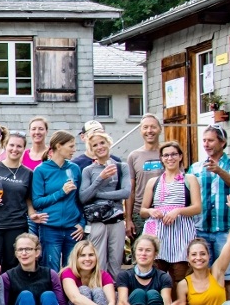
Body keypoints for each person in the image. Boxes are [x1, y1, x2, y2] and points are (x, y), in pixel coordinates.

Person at [188, 125, 230, 301]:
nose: (206, 144)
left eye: (211, 140)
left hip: (224, 230)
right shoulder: (196, 167)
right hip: (201, 229)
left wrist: (219, 171)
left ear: (222, 142)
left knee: (227, 277)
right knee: (202, 275)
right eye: (204, 140)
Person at [138, 141, 202, 284]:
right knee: (155, 276)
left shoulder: (189, 179)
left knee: (179, 278)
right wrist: (151, 211)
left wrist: (178, 211)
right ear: (161, 158)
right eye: (165, 155)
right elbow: (142, 211)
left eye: (173, 154)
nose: (170, 158)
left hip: (181, 233)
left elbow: (197, 207)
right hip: (158, 234)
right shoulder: (153, 182)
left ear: (180, 156)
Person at [0, 132, 38, 270]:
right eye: (11, 145)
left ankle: (9, 292)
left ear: (24, 149)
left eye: (19, 146)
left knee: (12, 265)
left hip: (16, 225)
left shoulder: (28, 173)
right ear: (5, 146)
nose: (14, 149)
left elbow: (28, 200)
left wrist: (32, 214)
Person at [79, 131, 131, 279]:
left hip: (117, 219)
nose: (99, 147)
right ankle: (99, 292)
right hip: (97, 221)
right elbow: (83, 197)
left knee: (115, 260)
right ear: (91, 149)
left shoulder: (122, 167)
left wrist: (98, 194)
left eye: (102, 143)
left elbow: (126, 192)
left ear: (109, 143)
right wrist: (100, 178)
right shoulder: (88, 170)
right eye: (95, 145)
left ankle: (114, 293)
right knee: (98, 260)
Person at [32, 130, 82, 272]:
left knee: (72, 270)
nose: (74, 150)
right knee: (51, 270)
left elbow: (81, 199)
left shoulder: (74, 168)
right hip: (50, 228)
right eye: (71, 146)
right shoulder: (41, 170)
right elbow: (37, 202)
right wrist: (61, 192)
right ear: (59, 146)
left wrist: (83, 223)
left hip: (73, 229)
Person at [125, 114, 163, 235]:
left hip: (164, 212)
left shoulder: (169, 153)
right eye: (145, 127)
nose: (149, 131)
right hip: (140, 214)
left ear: (160, 129)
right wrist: (129, 219)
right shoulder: (134, 156)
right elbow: (130, 190)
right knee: (143, 252)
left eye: (153, 127)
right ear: (140, 131)